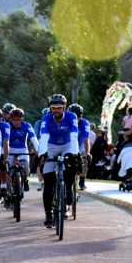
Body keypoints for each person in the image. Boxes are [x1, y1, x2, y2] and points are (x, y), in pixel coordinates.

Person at [38, 94, 79, 228]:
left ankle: (68, 189)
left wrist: (75, 153)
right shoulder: (46, 118)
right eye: (53, 108)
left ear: (64, 108)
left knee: (72, 162)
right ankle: (48, 215)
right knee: (48, 183)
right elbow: (43, 136)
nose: (56, 110)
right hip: (51, 146)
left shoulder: (71, 117)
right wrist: (43, 153)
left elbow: (74, 136)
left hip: (67, 144)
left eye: (59, 108)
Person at [7, 108, 39, 191]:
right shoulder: (7, 126)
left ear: (22, 119)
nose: (16, 122)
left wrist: (38, 150)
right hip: (9, 150)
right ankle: (7, 193)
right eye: (14, 120)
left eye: (18, 120)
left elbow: (33, 138)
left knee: (24, 167)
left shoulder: (26, 125)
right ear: (10, 119)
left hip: (22, 149)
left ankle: (25, 180)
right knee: (8, 170)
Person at [68, 104, 91, 190]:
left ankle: (82, 179)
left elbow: (86, 139)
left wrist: (88, 153)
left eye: (78, 117)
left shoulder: (84, 123)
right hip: (68, 143)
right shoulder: (66, 121)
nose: (76, 119)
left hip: (80, 143)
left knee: (84, 157)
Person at [34, 107, 50, 191]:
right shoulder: (39, 123)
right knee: (40, 162)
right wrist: (35, 148)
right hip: (41, 143)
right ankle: (40, 182)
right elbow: (35, 135)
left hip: (52, 144)